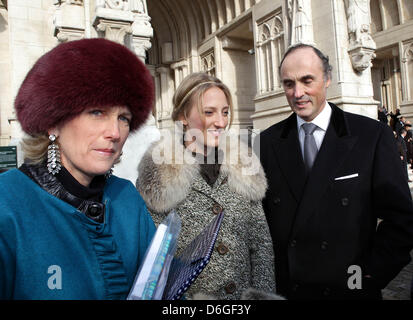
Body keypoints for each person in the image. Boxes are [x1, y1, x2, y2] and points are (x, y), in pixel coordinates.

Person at [0, 38, 156, 299]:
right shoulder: (7, 203)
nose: (115, 132)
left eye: (123, 117)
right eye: (97, 112)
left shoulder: (127, 197)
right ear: (53, 123)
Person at [257, 43, 413, 300]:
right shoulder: (264, 143)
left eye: (307, 80)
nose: (298, 93)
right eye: (288, 84)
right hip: (288, 293)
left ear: (327, 78)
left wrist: (366, 277)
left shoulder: (371, 136)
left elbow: (402, 221)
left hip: (348, 291)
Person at [137, 72, 277, 300]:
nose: (221, 122)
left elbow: (260, 246)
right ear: (183, 116)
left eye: (225, 112)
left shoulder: (245, 166)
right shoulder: (159, 176)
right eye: (209, 112)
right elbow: (151, 262)